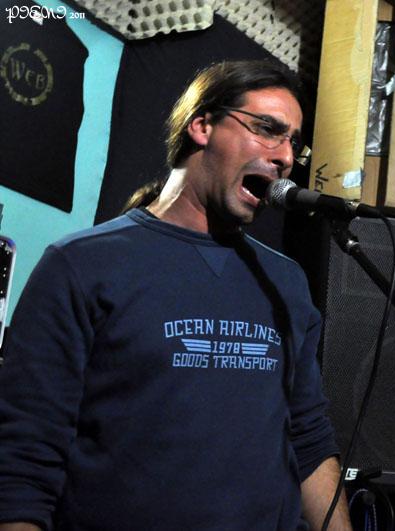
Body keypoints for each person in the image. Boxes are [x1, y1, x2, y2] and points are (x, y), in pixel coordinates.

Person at [0, 60, 352, 531]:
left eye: (294, 143)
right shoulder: (82, 265)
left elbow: (308, 439)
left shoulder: (284, 282)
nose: (286, 157)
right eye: (268, 130)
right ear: (202, 126)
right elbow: (25, 455)